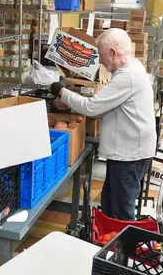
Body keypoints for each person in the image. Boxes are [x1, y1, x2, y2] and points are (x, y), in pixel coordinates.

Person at [50, 28, 156, 221]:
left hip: (130, 155)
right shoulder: (132, 67)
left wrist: (63, 92)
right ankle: (109, 242)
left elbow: (91, 108)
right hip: (130, 151)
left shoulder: (127, 77)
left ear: (113, 53)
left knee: (121, 210)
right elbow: (106, 102)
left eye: (101, 55)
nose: (100, 61)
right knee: (110, 202)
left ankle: (122, 247)